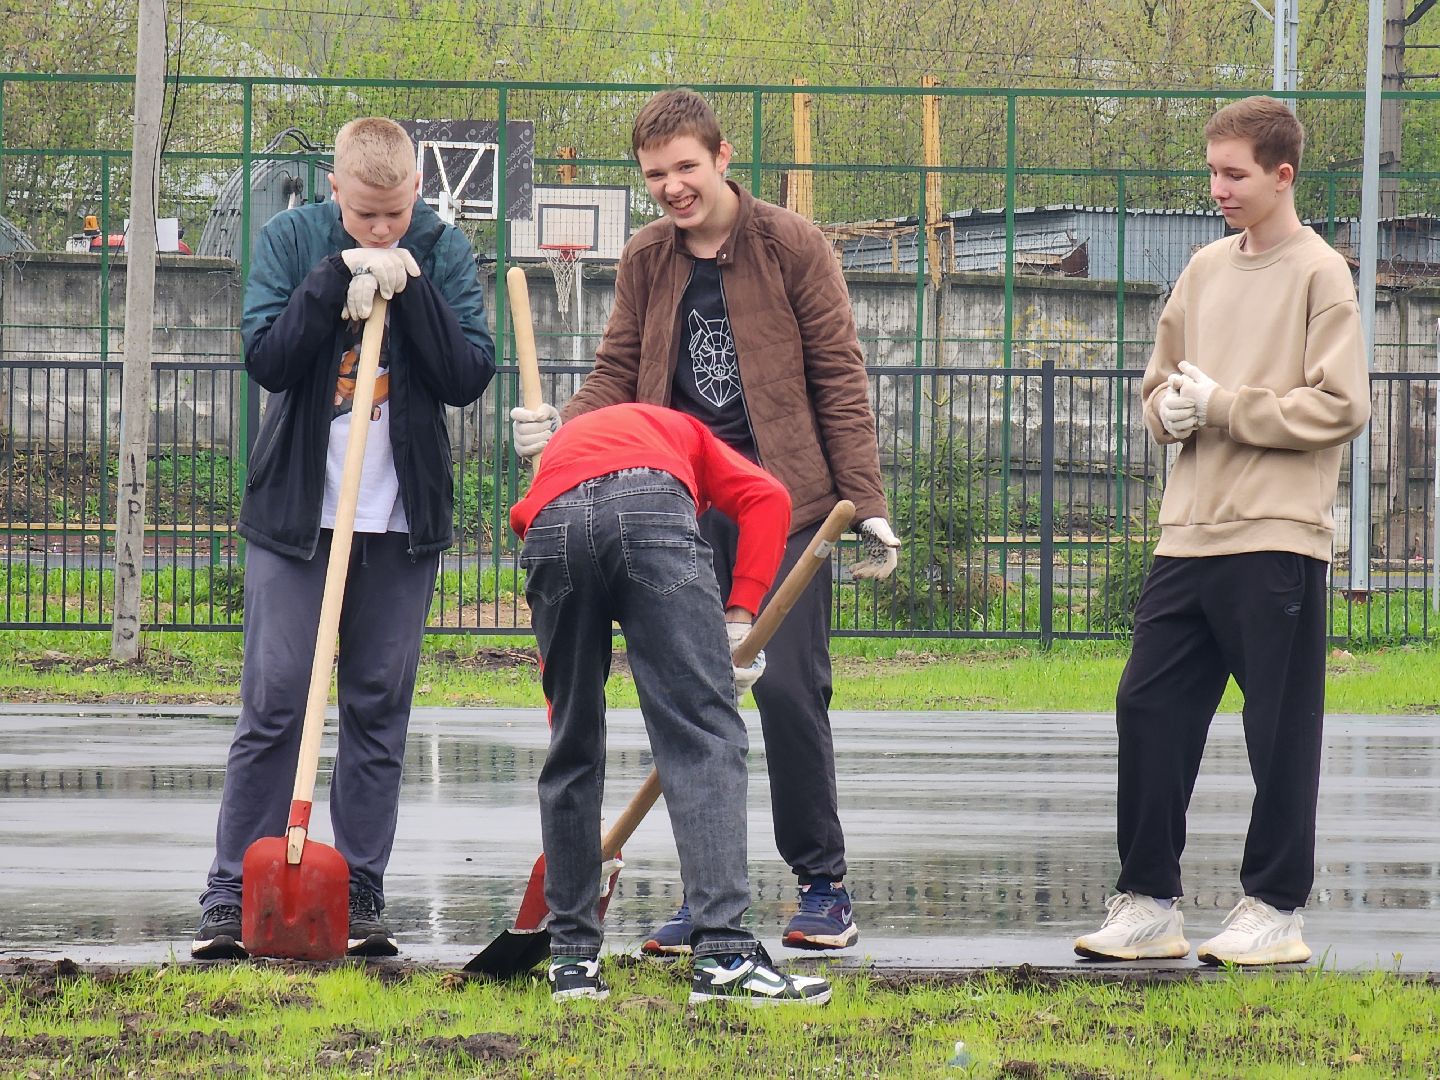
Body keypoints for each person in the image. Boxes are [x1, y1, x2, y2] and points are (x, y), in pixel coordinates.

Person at [511, 88, 898, 955]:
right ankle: (706, 897)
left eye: (686, 167)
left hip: (784, 500)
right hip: (673, 505)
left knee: (792, 692)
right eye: (656, 175)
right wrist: (563, 430)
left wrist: (864, 502)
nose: (673, 188)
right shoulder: (648, 256)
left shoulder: (793, 244)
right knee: (687, 704)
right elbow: (617, 370)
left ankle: (823, 884)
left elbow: (838, 373)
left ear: (723, 158)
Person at [1073, 96, 1370, 966]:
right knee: (1148, 707)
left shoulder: (1322, 273)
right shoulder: (1203, 269)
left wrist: (1225, 407)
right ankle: (1148, 902)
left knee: (1278, 729)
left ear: (1283, 175)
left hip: (1276, 533)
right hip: (1188, 532)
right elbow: (1160, 380)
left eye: (1234, 173)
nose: (1219, 188)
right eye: (1212, 171)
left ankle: (1274, 908)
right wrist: (1169, 408)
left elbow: (1342, 403)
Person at [191, 116, 496, 960]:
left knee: (376, 709)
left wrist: (413, 288)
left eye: (395, 214)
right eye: (365, 214)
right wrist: (334, 283)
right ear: (335, 189)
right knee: (277, 700)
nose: (382, 228)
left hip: (400, 523)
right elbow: (268, 358)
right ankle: (232, 891)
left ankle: (359, 892)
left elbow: (470, 371)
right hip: (297, 517)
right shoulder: (292, 239)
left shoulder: (441, 246)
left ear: (414, 196)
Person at [513, 401, 831, 1005]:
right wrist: (738, 618)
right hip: (651, 508)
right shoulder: (688, 434)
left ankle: (572, 963)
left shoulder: (572, 445)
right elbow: (769, 499)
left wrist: (567, 718)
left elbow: (526, 521)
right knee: (704, 733)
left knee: (571, 747)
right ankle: (724, 956)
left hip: (550, 525)